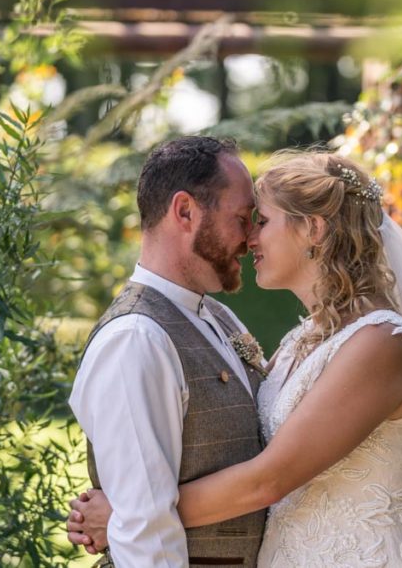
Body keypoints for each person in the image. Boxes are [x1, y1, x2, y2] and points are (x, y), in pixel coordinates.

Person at [69, 151, 402, 567]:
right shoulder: (303, 340)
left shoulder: (381, 343)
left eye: (262, 220)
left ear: (313, 228)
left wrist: (128, 512)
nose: (250, 237)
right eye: (246, 219)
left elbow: (267, 481)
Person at [68, 136, 267, 566]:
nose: (250, 239)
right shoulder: (137, 338)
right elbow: (147, 536)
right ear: (184, 211)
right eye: (242, 218)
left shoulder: (218, 317)